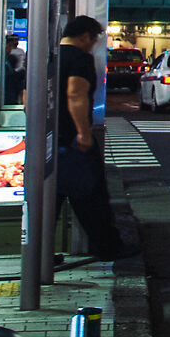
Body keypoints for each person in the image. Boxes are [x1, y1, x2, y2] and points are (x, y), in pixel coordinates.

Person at [54, 16, 128, 259]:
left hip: (48, 140)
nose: (93, 45)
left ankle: (39, 252)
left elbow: (26, 97)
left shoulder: (48, 57)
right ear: (85, 36)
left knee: (49, 199)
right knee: (92, 196)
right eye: (94, 40)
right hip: (73, 140)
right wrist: (83, 133)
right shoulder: (80, 59)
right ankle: (108, 248)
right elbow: (75, 94)